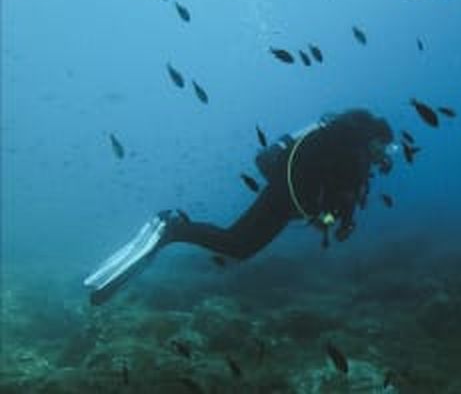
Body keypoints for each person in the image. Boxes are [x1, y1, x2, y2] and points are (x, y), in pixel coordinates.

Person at [84, 108, 395, 304]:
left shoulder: (353, 156)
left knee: (238, 245)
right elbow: (332, 195)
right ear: (374, 139)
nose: (386, 154)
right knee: (237, 244)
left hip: (288, 199)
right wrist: (334, 219)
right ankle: (172, 228)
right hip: (285, 196)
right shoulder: (352, 155)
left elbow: (331, 200)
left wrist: (334, 219)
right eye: (385, 146)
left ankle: (174, 227)